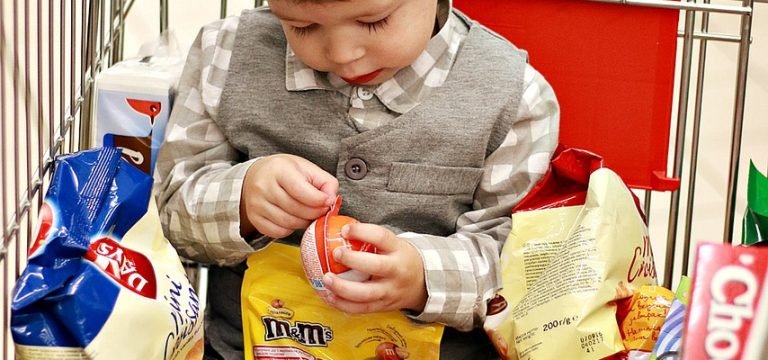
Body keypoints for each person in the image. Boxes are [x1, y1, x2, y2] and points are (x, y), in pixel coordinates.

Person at [153, 0, 559, 358]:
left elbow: (518, 270)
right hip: (245, 344)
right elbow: (170, 213)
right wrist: (240, 198)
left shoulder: (514, 97)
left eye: (373, 21)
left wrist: (422, 276)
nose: (342, 54)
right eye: (302, 26)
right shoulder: (224, 57)